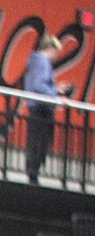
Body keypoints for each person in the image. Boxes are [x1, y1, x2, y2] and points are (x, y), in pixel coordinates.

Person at [23, 34, 71, 185]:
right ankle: (33, 174)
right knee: (40, 142)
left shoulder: (34, 61)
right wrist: (55, 98)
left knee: (36, 140)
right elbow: (39, 85)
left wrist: (55, 89)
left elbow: (38, 84)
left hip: (36, 107)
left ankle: (33, 172)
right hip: (41, 109)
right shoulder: (42, 62)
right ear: (50, 49)